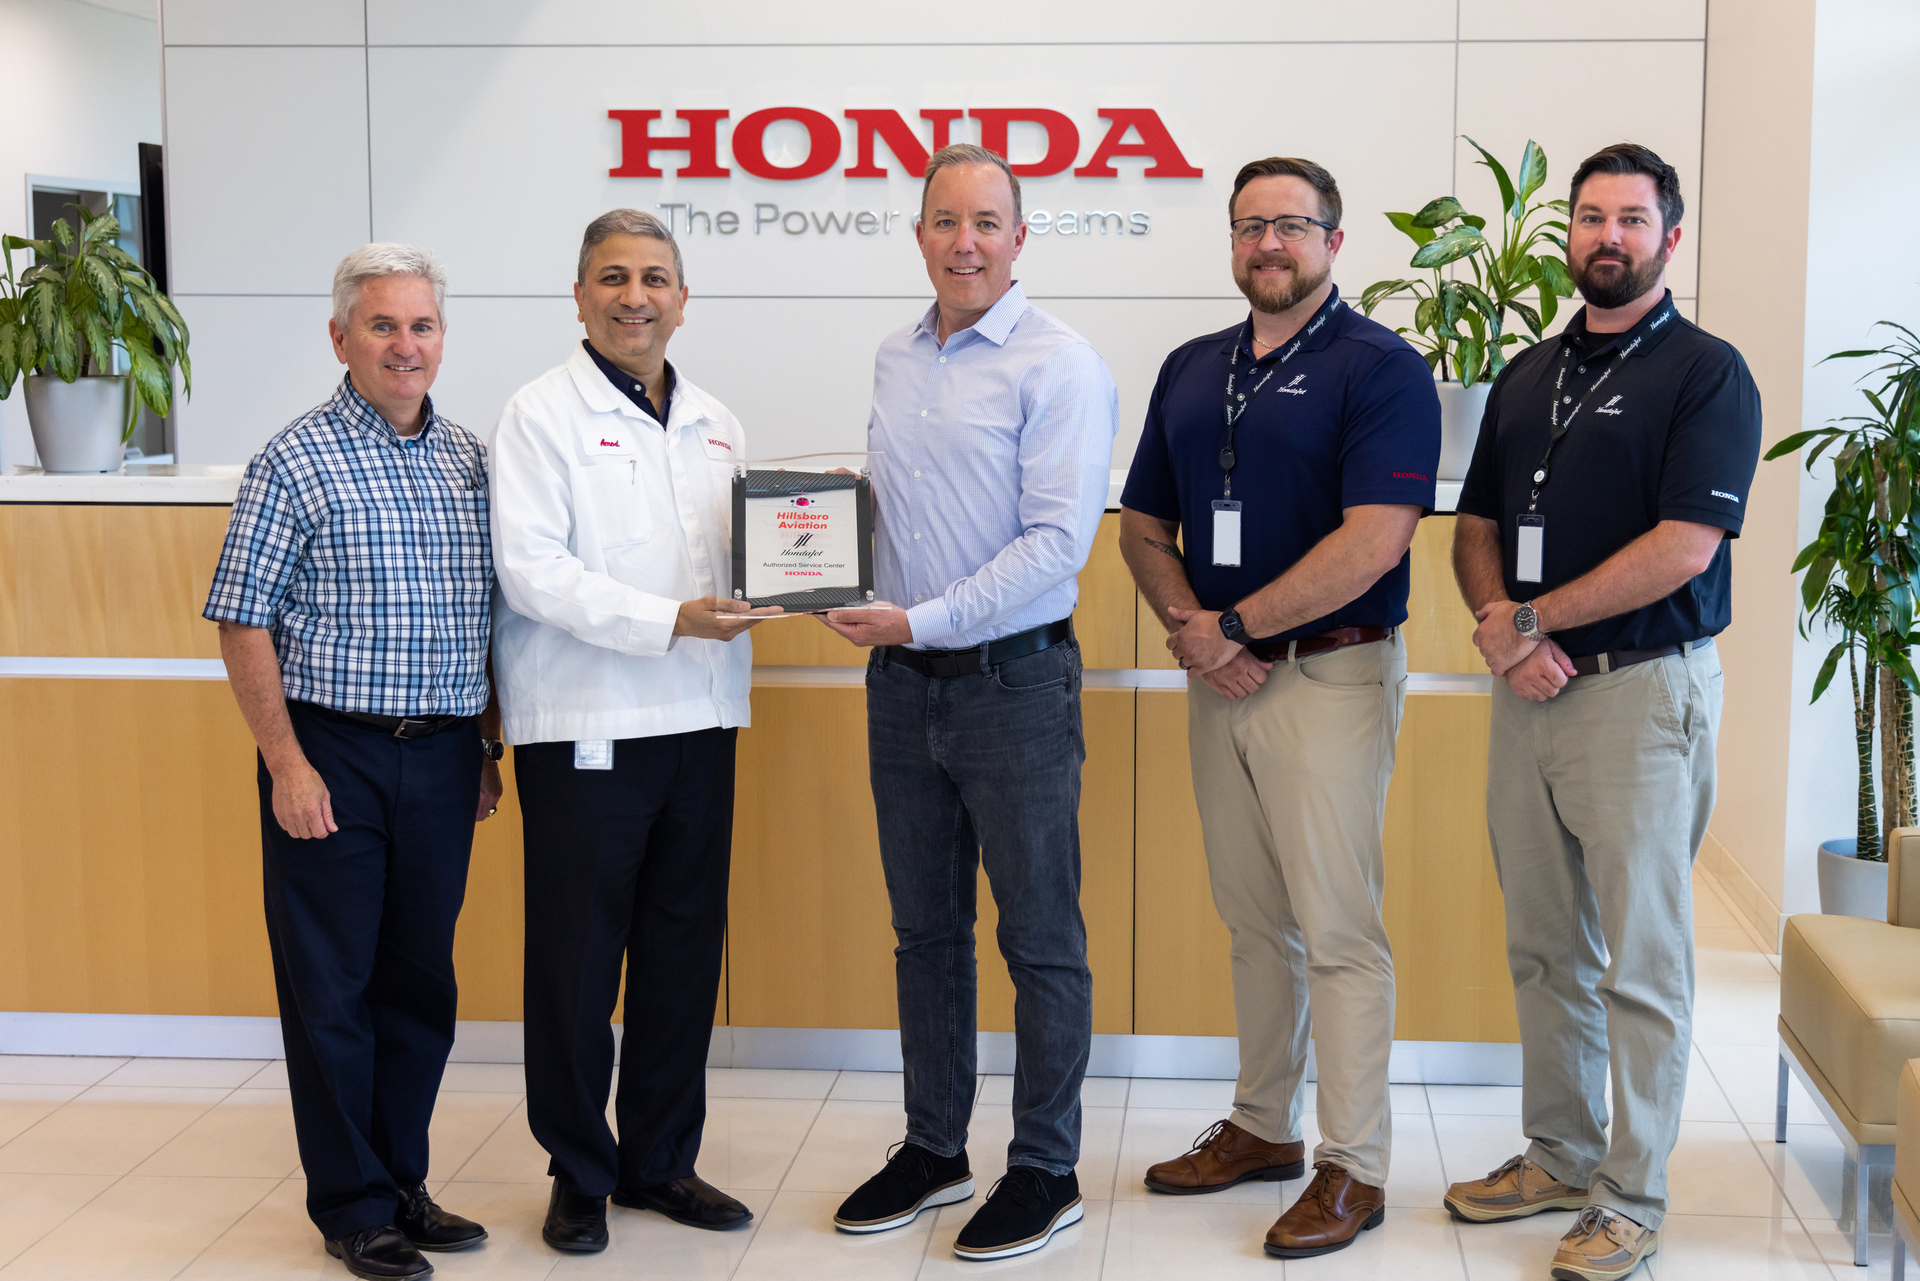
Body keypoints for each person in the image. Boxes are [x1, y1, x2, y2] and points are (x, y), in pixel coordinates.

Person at [1442, 143, 1762, 1281]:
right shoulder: (1529, 373)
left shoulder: (1707, 373)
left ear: (1669, 236)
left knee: (1643, 960)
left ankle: (1631, 1194)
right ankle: (1562, 1153)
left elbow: (1685, 546)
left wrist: (1534, 624)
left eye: (1631, 218)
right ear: (1568, 233)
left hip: (1639, 693)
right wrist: (1503, 628)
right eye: (1590, 217)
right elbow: (1476, 524)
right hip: (1528, 696)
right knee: (1543, 946)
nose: (1608, 236)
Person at [1117, 157, 1439, 1259]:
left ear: (1333, 242)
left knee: (1338, 930)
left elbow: (1376, 539)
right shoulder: (1192, 367)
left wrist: (1238, 627)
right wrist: (1196, 630)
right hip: (1222, 679)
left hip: (1327, 676)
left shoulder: (1381, 368)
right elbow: (1143, 525)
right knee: (1254, 919)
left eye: (1291, 226)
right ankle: (1263, 1127)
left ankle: (1356, 1166)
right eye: (1250, 225)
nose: (1269, 243)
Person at [819, 143, 1117, 1262]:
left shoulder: (1060, 365)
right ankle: (935, 1146)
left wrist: (921, 618)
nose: (965, 242)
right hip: (902, 689)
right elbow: (908, 503)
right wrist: (824, 535)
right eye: (945, 221)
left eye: (987, 222)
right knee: (925, 933)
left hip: (1014, 685)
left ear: (1020, 238)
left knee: (1039, 937)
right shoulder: (897, 355)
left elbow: (1055, 545)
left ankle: (1045, 1166)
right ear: (918, 236)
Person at [204, 244, 497, 1281]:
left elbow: (486, 617)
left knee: (420, 987)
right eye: (382, 326)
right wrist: (286, 764)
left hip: (445, 754)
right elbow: (241, 619)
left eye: (421, 326)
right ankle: (353, 1205)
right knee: (332, 988)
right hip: (332, 752)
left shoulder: (469, 458)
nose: (404, 346)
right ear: (341, 339)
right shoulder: (295, 459)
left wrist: (485, 745)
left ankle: (403, 1181)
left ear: (442, 339)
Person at [489, 208, 778, 1255]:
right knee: (577, 965)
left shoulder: (717, 421)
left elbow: (740, 559)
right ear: (579, 297)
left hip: (703, 719)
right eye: (612, 278)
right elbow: (533, 572)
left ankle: (659, 1161)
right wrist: (670, 620)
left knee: (681, 955)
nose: (635, 297)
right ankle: (579, 1171)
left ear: (683, 300)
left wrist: (802, 570)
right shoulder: (538, 415)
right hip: (588, 727)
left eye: (655, 278)